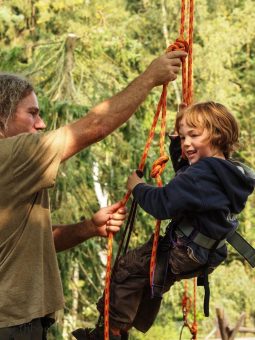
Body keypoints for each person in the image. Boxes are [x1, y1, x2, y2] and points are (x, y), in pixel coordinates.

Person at [0, 49, 186, 340]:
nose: (41, 124)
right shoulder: (10, 155)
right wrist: (151, 77)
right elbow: (94, 126)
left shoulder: (13, 171)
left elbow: (35, 239)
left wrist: (88, 227)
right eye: (32, 113)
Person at [80, 101, 254, 340]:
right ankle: (122, 328)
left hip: (186, 250)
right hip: (207, 252)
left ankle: (110, 333)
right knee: (148, 280)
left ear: (217, 134)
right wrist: (175, 141)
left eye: (193, 135)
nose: (186, 144)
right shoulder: (226, 172)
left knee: (128, 268)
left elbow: (162, 204)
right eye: (183, 138)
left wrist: (138, 187)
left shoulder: (200, 176)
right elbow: (186, 175)